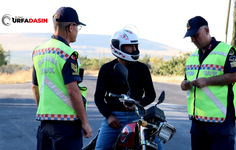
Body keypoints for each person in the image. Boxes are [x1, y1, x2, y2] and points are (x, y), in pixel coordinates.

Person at [94, 25, 164, 149]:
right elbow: (98, 98)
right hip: (115, 118)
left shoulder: (142, 69)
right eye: (130, 46)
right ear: (119, 47)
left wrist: (139, 103)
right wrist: (109, 116)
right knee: (100, 148)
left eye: (135, 45)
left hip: (138, 116)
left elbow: (151, 95)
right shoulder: (106, 69)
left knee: (158, 147)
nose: (134, 49)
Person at [31, 7, 92, 150]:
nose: (77, 31)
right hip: (67, 126)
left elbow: (35, 86)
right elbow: (73, 91)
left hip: (44, 123)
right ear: (71, 27)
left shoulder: (38, 51)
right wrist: (84, 122)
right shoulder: (68, 54)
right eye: (78, 27)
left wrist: (46, 111)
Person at [181, 16, 236, 150]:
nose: (193, 40)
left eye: (195, 35)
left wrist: (207, 81)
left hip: (220, 121)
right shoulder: (192, 57)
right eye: (190, 37)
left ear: (207, 30)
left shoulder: (226, 51)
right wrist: (184, 84)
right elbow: (186, 79)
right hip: (198, 121)